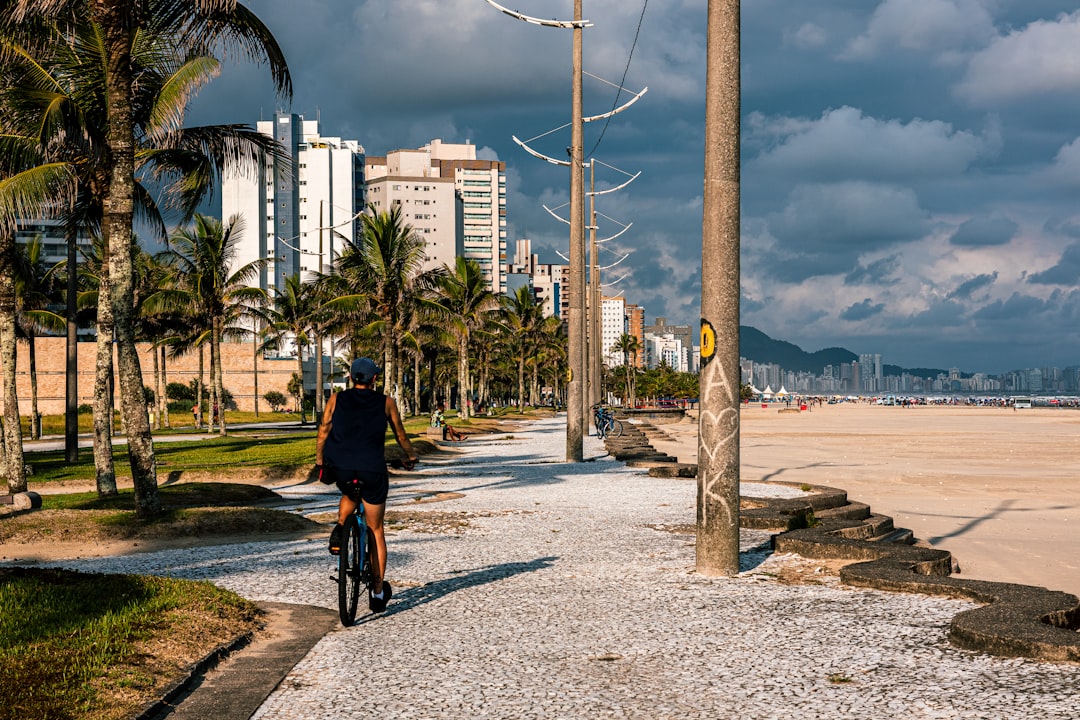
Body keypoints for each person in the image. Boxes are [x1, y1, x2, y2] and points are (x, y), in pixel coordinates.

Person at [316, 357, 417, 613]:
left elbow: (324, 430)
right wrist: (411, 456)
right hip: (372, 470)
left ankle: (341, 527)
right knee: (376, 529)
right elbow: (400, 434)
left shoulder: (336, 400)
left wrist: (320, 461)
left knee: (349, 491)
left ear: (351, 378)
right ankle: (378, 592)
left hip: (342, 467)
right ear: (374, 379)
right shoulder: (386, 403)